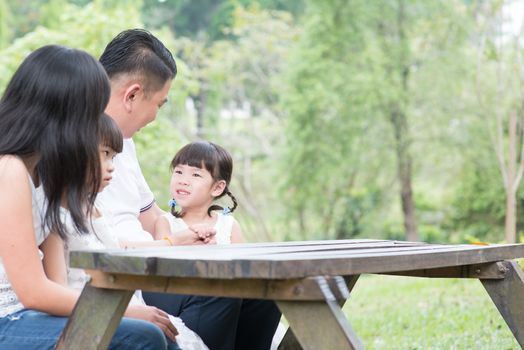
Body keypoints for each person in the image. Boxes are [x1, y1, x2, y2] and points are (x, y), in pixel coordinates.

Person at [97, 28, 282, 349]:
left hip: (151, 268)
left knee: (261, 293)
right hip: (122, 276)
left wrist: (185, 235)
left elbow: (151, 215)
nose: (155, 116)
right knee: (221, 290)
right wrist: (168, 242)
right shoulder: (77, 147)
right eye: (160, 104)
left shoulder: (125, 144)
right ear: (132, 95)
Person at [0, 45, 176, 349]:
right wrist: (126, 311)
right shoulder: (10, 169)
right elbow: (32, 291)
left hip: (34, 317)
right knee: (142, 336)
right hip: (10, 320)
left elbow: (56, 285)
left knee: (156, 333)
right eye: (92, 110)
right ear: (66, 112)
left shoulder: (46, 175)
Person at [41, 114, 208, 350]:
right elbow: (58, 289)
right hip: (88, 313)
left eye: (114, 157)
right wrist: (130, 313)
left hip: (119, 304)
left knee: (171, 334)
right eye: (105, 154)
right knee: (154, 334)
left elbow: (119, 249)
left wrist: (176, 240)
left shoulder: (97, 209)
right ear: (75, 152)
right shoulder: (55, 214)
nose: (112, 167)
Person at [154, 141, 244, 245]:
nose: (182, 181)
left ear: (217, 188)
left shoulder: (229, 226)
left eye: (196, 175)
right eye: (179, 172)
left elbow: (238, 260)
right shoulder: (165, 223)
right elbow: (163, 258)